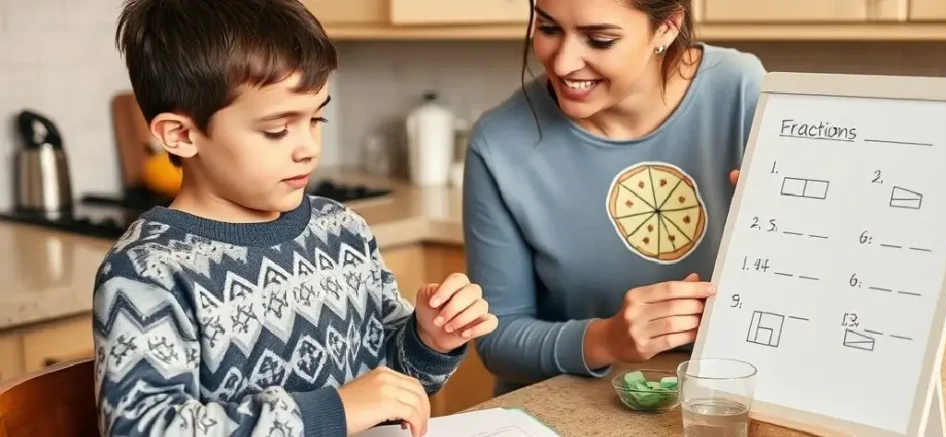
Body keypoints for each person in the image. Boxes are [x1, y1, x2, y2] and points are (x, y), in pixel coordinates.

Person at [91, 1, 498, 436]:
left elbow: (390, 386)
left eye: (316, 118)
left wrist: (429, 340)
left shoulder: (342, 231)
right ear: (182, 135)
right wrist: (331, 411)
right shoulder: (148, 274)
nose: (308, 147)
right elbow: (143, 429)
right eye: (276, 129)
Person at [462, 0, 766, 395]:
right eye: (548, 28)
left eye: (600, 40)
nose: (564, 63)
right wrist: (606, 340)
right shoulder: (499, 143)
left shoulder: (741, 92)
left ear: (668, 26)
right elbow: (497, 339)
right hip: (559, 411)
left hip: (716, 402)